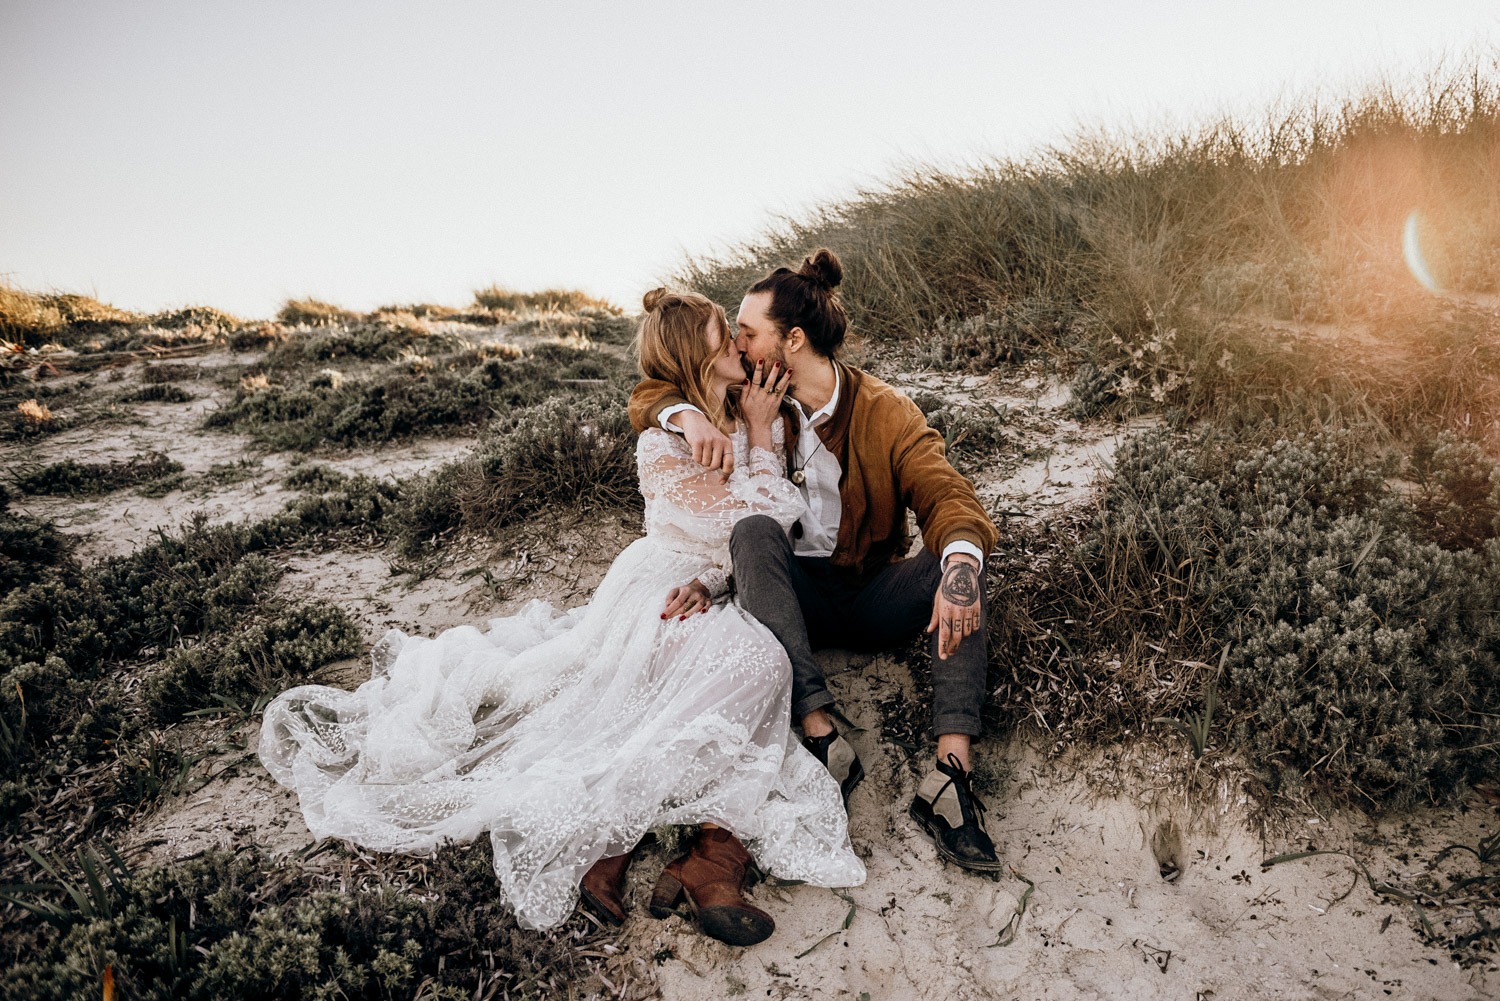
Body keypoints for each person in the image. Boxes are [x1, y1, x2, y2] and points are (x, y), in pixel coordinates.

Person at [260, 288, 864, 946]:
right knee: (696, 670)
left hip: (721, 582)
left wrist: (750, 455)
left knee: (760, 662)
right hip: (658, 580)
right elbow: (735, 518)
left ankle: (705, 851)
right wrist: (730, 437)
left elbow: (765, 528)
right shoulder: (663, 440)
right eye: (725, 338)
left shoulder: (763, 417)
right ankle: (613, 833)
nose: (738, 349)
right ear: (697, 356)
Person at [628, 249, 1003, 874]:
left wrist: (962, 567)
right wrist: (684, 413)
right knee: (752, 529)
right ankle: (819, 729)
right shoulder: (747, 396)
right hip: (784, 596)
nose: (739, 345)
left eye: (748, 333)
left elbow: (946, 493)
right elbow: (654, 388)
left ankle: (950, 772)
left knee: (959, 563)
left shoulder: (886, 411)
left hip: (867, 592)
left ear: (792, 341)